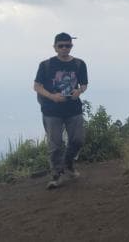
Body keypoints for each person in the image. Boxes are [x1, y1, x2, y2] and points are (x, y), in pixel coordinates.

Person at [33, 32, 89, 189]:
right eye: (61, 46)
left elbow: (84, 84)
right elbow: (37, 86)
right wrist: (52, 96)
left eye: (68, 45)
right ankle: (56, 175)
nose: (65, 48)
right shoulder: (46, 65)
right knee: (55, 144)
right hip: (51, 110)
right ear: (55, 47)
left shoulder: (79, 64)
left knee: (78, 140)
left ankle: (68, 163)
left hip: (73, 109)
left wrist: (79, 91)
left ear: (71, 46)